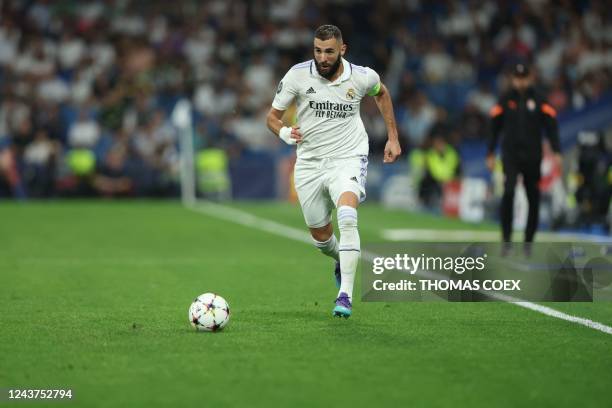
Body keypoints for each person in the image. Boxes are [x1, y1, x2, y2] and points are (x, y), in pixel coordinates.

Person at [266, 25, 401, 318]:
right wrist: (285, 133)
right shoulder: (297, 75)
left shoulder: (363, 76)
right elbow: (272, 118)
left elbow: (382, 93)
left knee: (348, 216)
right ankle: (341, 258)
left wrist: (392, 136)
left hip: (348, 157)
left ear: (342, 49)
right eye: (317, 50)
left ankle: (345, 296)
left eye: (328, 51)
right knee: (322, 239)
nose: (322, 57)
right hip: (310, 163)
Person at [487, 63, 562, 254]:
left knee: (533, 196)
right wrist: (489, 152)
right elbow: (494, 128)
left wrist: (557, 151)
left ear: (530, 78)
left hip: (532, 156)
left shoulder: (540, 100)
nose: (520, 81)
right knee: (509, 192)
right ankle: (506, 239)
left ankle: (528, 241)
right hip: (511, 155)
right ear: (513, 79)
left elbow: (551, 127)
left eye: (523, 77)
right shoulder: (504, 100)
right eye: (517, 77)